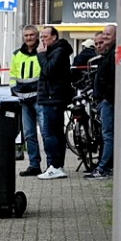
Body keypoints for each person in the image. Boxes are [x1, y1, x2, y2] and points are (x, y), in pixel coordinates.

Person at [35, 25, 74, 178]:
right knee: (56, 132)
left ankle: (54, 165)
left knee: (50, 132)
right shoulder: (57, 51)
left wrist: (41, 55)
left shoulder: (57, 52)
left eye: (45, 37)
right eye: (41, 37)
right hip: (53, 96)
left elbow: (48, 70)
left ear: (54, 37)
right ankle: (57, 165)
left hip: (53, 97)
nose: (42, 40)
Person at [10, 25, 45, 175]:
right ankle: (34, 165)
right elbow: (13, 75)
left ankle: (52, 165)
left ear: (37, 36)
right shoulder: (17, 54)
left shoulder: (42, 52)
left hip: (39, 97)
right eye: (26, 35)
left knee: (46, 132)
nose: (29, 38)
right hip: (23, 99)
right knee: (29, 134)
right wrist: (14, 90)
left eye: (32, 35)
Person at [86, 25, 116, 179]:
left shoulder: (114, 54)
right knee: (107, 135)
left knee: (108, 135)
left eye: (107, 35)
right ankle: (104, 166)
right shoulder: (108, 54)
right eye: (103, 34)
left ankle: (103, 168)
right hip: (105, 101)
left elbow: (114, 79)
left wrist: (106, 97)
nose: (104, 37)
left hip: (108, 102)